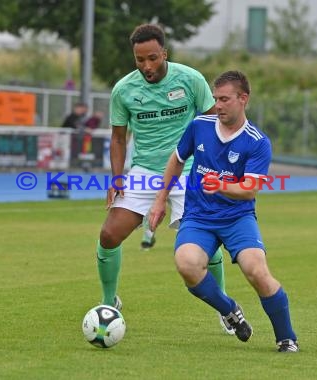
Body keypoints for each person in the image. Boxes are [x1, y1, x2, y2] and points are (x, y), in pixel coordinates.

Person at [149, 70, 299, 352]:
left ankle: (286, 337)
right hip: (199, 217)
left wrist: (220, 185)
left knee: (256, 270)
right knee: (186, 264)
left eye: (225, 99)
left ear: (243, 99)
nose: (218, 105)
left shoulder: (257, 142)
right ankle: (229, 310)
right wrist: (160, 200)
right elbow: (177, 160)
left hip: (237, 218)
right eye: (216, 98)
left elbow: (249, 189)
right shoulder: (199, 126)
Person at [95, 23, 232, 334]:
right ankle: (108, 302)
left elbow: (216, 126)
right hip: (144, 172)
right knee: (109, 235)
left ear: (164, 54)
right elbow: (118, 139)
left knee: (206, 249)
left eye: (153, 58)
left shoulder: (190, 79)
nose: (147, 66)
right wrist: (117, 180)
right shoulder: (124, 90)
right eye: (140, 60)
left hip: (188, 172)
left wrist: (214, 171)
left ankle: (224, 305)